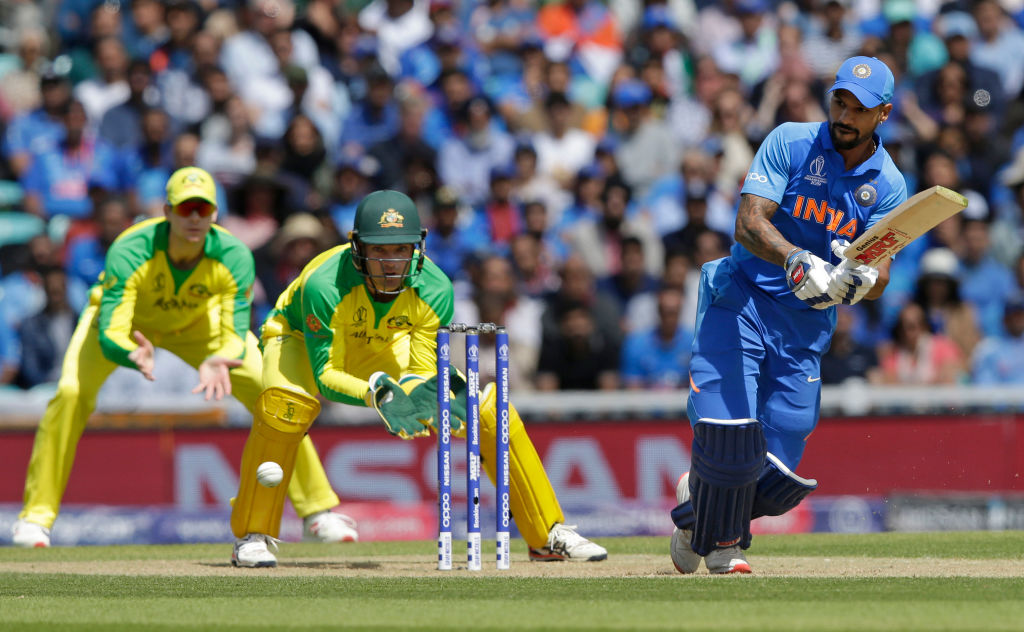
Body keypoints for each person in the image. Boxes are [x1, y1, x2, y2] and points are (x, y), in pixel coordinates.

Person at [229, 189, 607, 567]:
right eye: (380, 250)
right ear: (356, 246)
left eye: (401, 249)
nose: (391, 262)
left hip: (386, 340)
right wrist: (377, 393)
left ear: (417, 247)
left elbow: (424, 369)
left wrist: (419, 395)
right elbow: (327, 375)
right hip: (297, 336)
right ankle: (251, 535)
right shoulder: (324, 285)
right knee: (284, 408)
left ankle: (547, 535)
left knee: (488, 411)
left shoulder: (434, 287)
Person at [11, 166, 355, 548]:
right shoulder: (132, 247)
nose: (194, 218)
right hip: (129, 328)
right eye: (185, 209)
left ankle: (317, 511)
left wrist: (220, 358)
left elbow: (235, 327)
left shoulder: (234, 254)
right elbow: (110, 329)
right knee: (71, 394)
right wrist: (129, 353)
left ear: (215, 214)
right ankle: (35, 518)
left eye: (202, 210)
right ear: (167, 211)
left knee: (272, 392)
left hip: (197, 325)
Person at [668, 56, 908, 574]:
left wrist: (859, 280)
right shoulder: (790, 141)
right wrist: (798, 259)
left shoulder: (888, 185)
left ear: (883, 114)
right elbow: (748, 223)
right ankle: (726, 545)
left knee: (777, 479)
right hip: (743, 300)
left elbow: (881, 270)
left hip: (804, 328)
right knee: (731, 437)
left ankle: (696, 510)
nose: (845, 115)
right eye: (840, 101)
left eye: (859, 109)